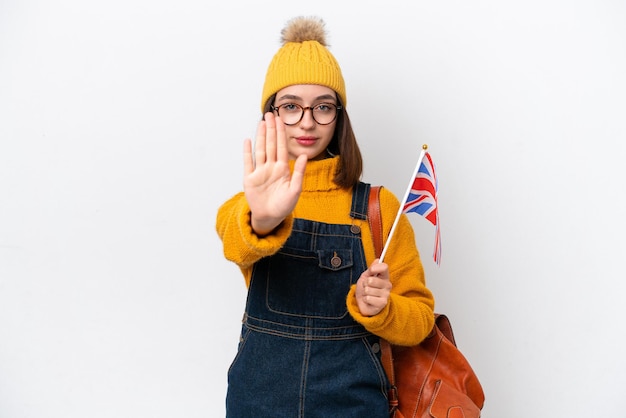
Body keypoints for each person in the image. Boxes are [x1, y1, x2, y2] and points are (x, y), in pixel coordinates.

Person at [215, 16, 435, 418]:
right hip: (259, 400)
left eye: (322, 107)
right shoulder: (246, 205)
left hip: (352, 402)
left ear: (339, 116)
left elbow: (420, 321)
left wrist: (381, 309)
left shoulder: (379, 208)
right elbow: (235, 242)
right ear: (271, 114)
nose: (307, 122)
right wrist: (263, 221)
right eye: (290, 107)